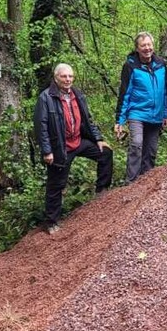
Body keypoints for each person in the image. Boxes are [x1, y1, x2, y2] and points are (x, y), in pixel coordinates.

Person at [34, 63, 113, 234]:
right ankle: (51, 221)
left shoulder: (78, 95)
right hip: (60, 147)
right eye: (64, 76)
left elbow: (88, 119)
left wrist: (98, 139)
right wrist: (47, 151)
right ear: (56, 78)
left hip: (79, 141)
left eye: (70, 76)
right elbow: (41, 126)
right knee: (56, 184)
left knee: (105, 153)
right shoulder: (46, 98)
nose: (68, 79)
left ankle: (102, 191)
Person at [115, 32, 167, 183]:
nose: (147, 48)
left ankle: (146, 183)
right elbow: (125, 93)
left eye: (149, 45)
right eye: (143, 45)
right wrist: (119, 120)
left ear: (153, 46)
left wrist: (166, 114)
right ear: (137, 48)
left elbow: (165, 91)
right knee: (137, 143)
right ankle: (131, 182)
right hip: (137, 113)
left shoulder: (161, 64)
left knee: (151, 151)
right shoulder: (130, 66)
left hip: (156, 115)